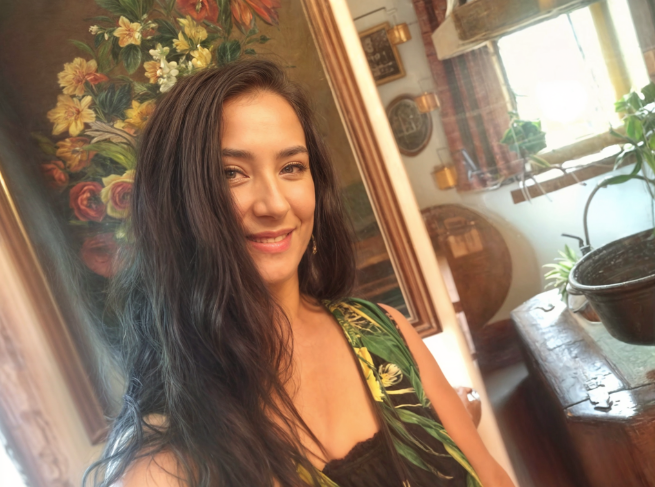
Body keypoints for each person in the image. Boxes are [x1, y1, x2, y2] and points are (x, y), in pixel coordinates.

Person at [84, 58, 515, 487]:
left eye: (291, 167)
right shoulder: (163, 464)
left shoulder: (385, 333)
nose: (274, 204)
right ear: (177, 203)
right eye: (231, 173)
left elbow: (493, 478)